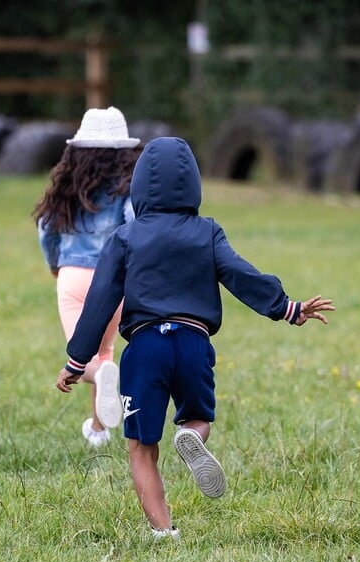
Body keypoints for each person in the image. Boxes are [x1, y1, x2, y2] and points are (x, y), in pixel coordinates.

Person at [55, 136, 335, 539]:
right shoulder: (207, 232)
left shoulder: (125, 237)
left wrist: (77, 360)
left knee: (141, 448)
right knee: (198, 416)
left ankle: (164, 532)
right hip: (193, 342)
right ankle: (190, 436)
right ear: (193, 184)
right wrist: (287, 308)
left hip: (146, 348)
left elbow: (99, 302)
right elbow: (240, 274)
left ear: (138, 186)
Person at [33, 106, 141, 447]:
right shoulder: (128, 186)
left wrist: (55, 263)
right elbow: (134, 224)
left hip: (73, 276)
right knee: (104, 352)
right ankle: (98, 430)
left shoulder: (68, 183)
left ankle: (101, 408)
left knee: (85, 360)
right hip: (114, 282)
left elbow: (46, 227)